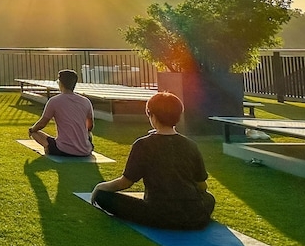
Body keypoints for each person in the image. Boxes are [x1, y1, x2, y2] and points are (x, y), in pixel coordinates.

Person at [90, 91, 216, 230]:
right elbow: (202, 187)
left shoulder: (143, 145)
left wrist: (99, 187)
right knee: (209, 198)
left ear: (152, 116)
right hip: (193, 214)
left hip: (158, 213)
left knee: (103, 196)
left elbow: (125, 182)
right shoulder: (190, 145)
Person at [27, 69, 94, 157]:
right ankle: (79, 145)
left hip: (63, 150)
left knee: (35, 132)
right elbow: (90, 126)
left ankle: (49, 148)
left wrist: (31, 130)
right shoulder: (86, 101)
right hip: (85, 150)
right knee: (88, 134)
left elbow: (42, 123)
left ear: (60, 83)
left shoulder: (54, 101)